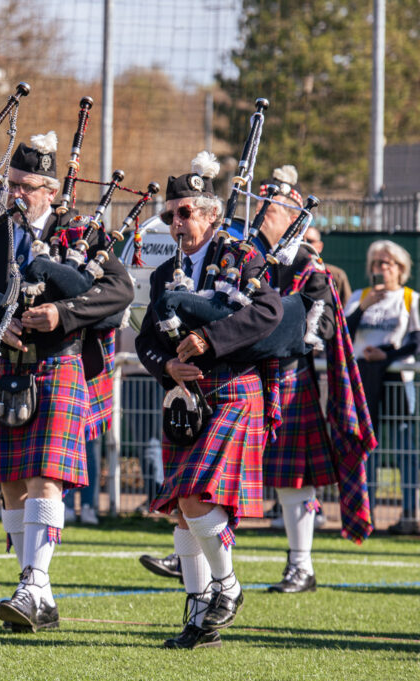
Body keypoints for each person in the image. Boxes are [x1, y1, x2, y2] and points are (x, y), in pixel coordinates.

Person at [0, 132, 133, 632]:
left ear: (51, 191)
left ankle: (34, 583)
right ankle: (36, 592)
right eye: (11, 183)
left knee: (44, 476)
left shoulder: (80, 234)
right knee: (13, 483)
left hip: (58, 360)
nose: (16, 193)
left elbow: (119, 293)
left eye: (28, 186)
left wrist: (61, 313)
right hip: (4, 364)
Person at [135, 151, 281, 649]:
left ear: (212, 214)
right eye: (169, 214)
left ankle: (228, 587)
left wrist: (210, 341)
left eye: (185, 212)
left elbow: (269, 313)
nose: (176, 222)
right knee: (181, 507)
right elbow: (145, 341)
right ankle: (200, 621)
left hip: (234, 388)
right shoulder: (162, 275)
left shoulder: (241, 258)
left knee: (197, 496)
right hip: (186, 397)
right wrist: (166, 365)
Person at [251, 165, 375, 590]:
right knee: (224, 473)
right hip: (242, 374)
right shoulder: (242, 256)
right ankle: (194, 558)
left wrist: (268, 329)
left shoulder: (308, 264)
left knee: (292, 479)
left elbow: (319, 329)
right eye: (263, 203)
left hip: (288, 376)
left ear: (294, 215)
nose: (265, 211)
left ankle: (301, 566)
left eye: (275, 205)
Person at [344, 240, 420, 534]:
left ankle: (410, 514)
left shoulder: (410, 298)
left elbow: (415, 341)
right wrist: (361, 309)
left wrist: (385, 355)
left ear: (400, 268)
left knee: (403, 447)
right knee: (366, 447)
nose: (381, 268)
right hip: (363, 381)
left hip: (396, 382)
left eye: (387, 263)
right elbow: (341, 335)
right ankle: (367, 512)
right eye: (377, 263)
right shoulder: (360, 298)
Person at [303, 226, 351, 305]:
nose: (305, 244)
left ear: (320, 246)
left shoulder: (336, 275)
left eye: (309, 241)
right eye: (301, 240)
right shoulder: (287, 271)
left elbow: (347, 309)